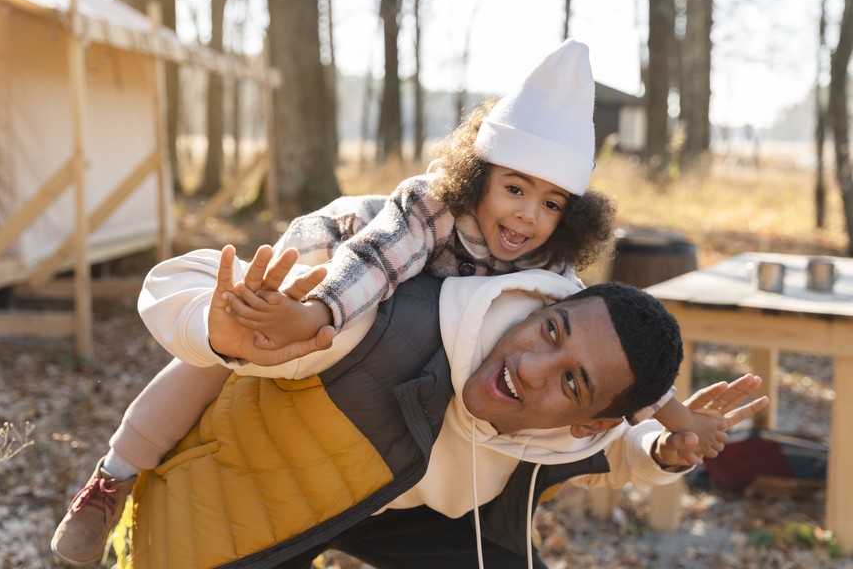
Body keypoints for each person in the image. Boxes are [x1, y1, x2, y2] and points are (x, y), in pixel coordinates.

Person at [51, 39, 725, 566]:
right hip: (343, 264)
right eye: (514, 189)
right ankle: (114, 474)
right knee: (222, 361)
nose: (526, 216)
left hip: (406, 410)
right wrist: (309, 315)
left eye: (551, 203)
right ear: (479, 175)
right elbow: (371, 268)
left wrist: (667, 409)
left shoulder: (542, 261)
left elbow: (600, 349)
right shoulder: (430, 208)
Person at [122, 246, 767, 568]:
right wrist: (219, 328)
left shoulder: (561, 439)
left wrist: (661, 448)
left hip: (394, 512)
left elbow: (611, 455)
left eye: (572, 383)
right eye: (550, 332)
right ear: (543, 306)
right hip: (255, 493)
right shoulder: (392, 320)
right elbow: (190, 276)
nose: (530, 367)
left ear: (587, 421)